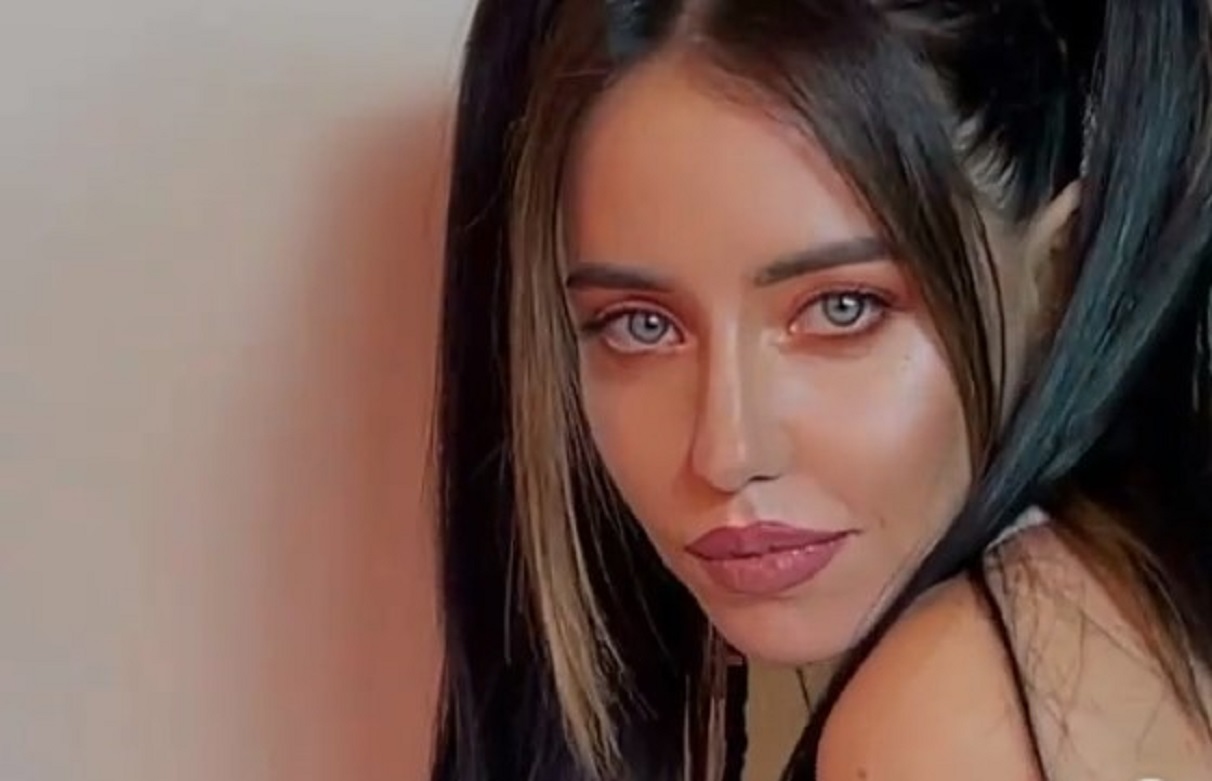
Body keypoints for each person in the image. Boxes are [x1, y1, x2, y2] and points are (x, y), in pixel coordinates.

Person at [430, 0, 1212, 779]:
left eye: (843, 308)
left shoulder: (956, 714)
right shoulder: (1131, 616)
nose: (728, 452)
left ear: (1057, 282)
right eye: (640, 325)